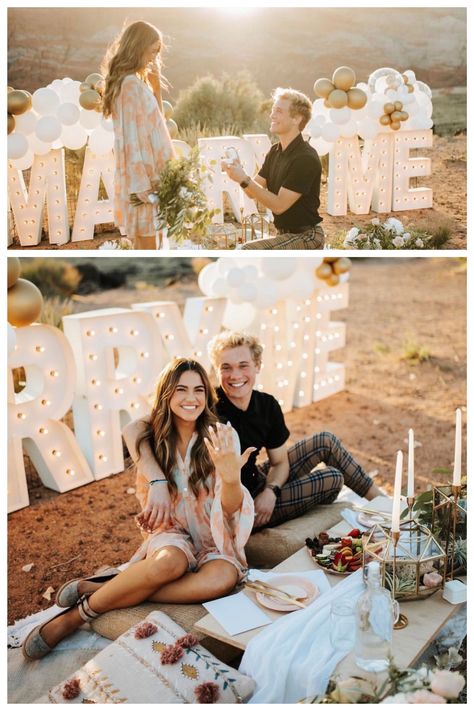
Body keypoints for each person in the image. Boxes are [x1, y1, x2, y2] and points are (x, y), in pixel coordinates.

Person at [22, 359, 255, 660]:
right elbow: (131, 429)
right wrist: (158, 481)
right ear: (166, 394)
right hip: (171, 532)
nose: (191, 398)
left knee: (222, 580)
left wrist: (230, 478)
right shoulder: (152, 435)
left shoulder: (222, 436)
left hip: (214, 541)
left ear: (207, 396)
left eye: (199, 390)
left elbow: (232, 510)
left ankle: (108, 585)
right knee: (168, 564)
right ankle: (74, 617)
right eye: (181, 389)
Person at [124, 333, 384, 533]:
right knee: (333, 478)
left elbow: (280, 462)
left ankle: (385, 505)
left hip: (257, 478)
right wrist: (157, 481)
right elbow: (134, 428)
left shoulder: (267, 404)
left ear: (257, 365)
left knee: (324, 440)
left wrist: (271, 491)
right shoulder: (204, 403)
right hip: (237, 501)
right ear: (216, 370)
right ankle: (302, 501)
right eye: (226, 367)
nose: (235, 375)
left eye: (243, 365)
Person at [102, 20, 175, 250]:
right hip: (142, 180)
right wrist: (144, 188)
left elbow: (158, 126)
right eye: (151, 52)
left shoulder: (135, 83)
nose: (154, 59)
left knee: (151, 243)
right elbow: (131, 141)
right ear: (137, 47)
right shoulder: (130, 85)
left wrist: (156, 89)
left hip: (149, 176)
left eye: (157, 53)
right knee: (148, 246)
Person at [222, 88, 324, 250]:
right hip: (284, 235)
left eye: (278, 111)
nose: (271, 116)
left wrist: (244, 178)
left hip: (306, 237)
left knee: (247, 250)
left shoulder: (305, 158)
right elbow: (251, 191)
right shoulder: (275, 151)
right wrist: (236, 172)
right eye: (272, 110)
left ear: (296, 119)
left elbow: (279, 205)